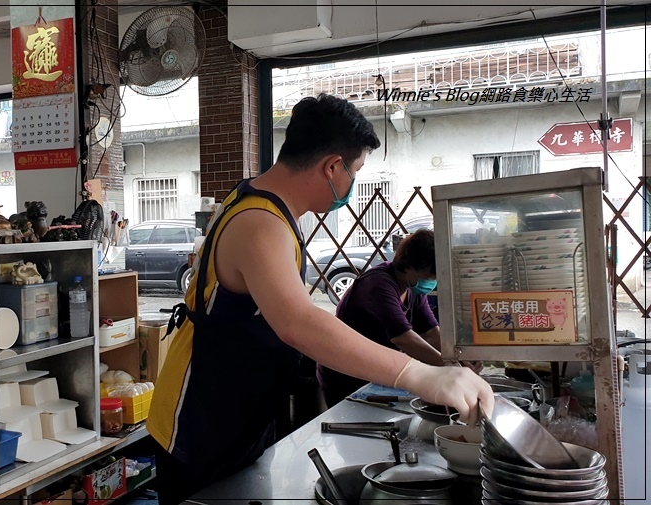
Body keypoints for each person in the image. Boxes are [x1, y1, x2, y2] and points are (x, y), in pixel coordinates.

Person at [146, 93, 494, 505]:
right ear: (332, 166)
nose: (352, 185)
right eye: (355, 171)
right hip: (200, 425)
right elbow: (299, 322)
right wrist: (422, 374)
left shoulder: (268, 210)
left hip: (236, 414)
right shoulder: (260, 224)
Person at [317, 229, 483, 408]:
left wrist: (458, 357)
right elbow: (404, 339)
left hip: (376, 375)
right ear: (409, 266)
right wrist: (450, 367)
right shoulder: (378, 285)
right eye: (429, 276)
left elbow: (430, 332)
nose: (432, 281)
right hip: (347, 375)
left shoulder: (413, 289)